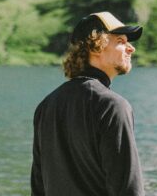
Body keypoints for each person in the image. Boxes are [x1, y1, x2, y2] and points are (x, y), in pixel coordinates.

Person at [31, 11, 145, 196]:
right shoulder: (112, 107)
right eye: (121, 41)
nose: (131, 48)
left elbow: (38, 186)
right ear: (96, 46)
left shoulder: (46, 105)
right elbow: (128, 190)